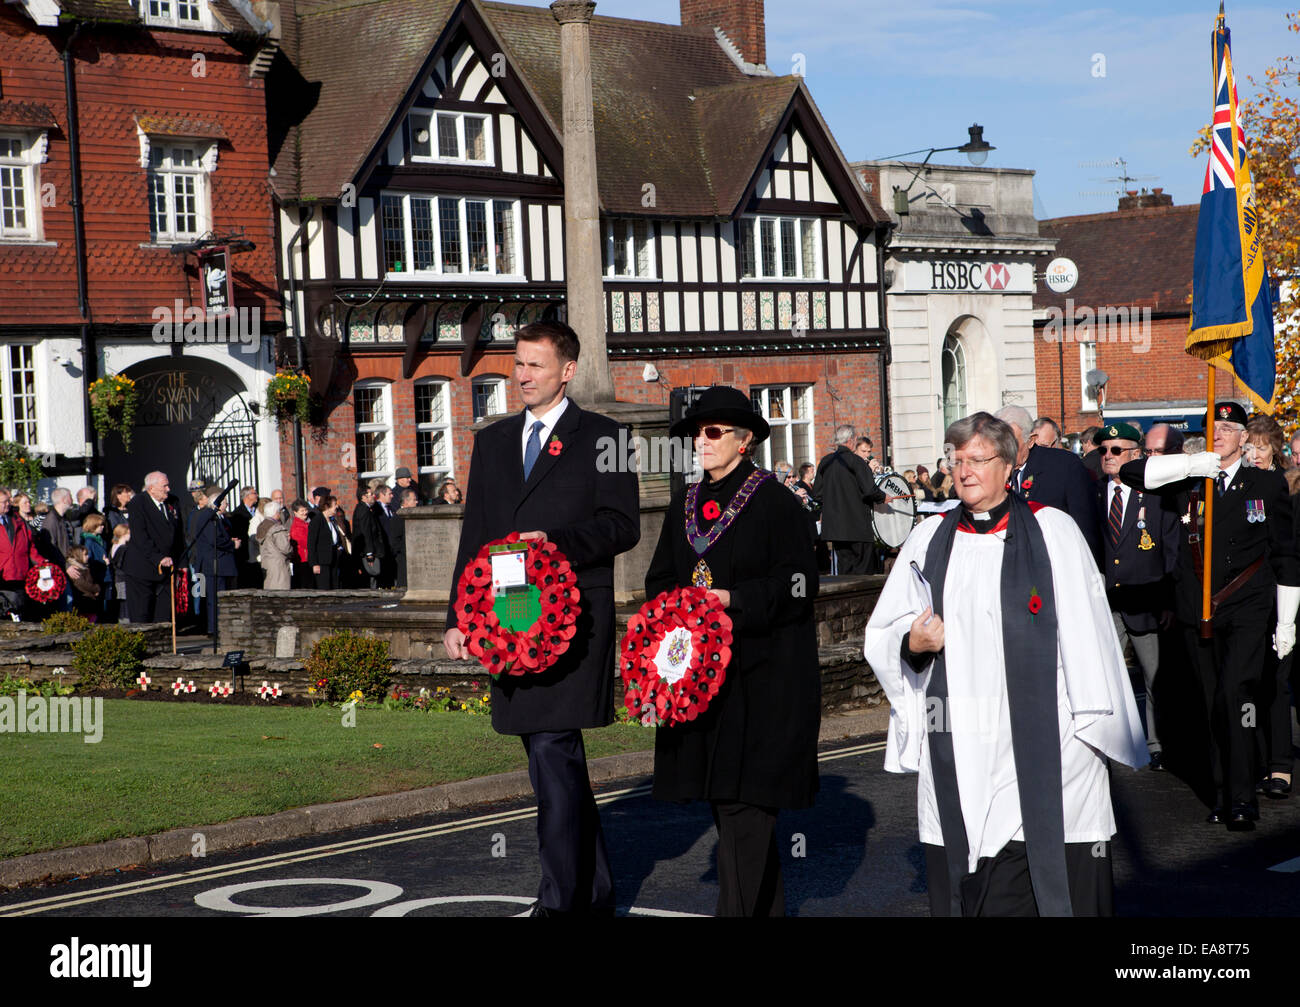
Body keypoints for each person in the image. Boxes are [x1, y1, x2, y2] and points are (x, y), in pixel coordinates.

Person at [864, 412, 1148, 916]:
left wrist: (1095, 726)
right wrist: (913, 641)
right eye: (956, 461)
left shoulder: (1052, 531)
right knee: (973, 880)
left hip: (1045, 742)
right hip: (959, 739)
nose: (965, 471)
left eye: (978, 459)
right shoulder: (929, 540)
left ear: (1008, 464)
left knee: (1035, 882)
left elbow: (1091, 637)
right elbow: (884, 634)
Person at [442, 320, 639, 917]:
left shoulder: (604, 436)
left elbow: (620, 526)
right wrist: (457, 617)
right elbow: (475, 534)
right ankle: (596, 890)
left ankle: (559, 902)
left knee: (552, 750)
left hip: (569, 622)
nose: (522, 376)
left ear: (568, 371)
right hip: (507, 619)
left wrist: (552, 543)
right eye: (518, 364)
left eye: (535, 365)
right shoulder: (495, 441)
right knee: (549, 753)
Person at [646, 386, 820, 916]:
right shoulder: (685, 503)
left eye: (714, 431)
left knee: (747, 813)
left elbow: (798, 586)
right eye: (698, 431)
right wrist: (673, 611)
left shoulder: (776, 503)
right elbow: (659, 579)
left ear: (744, 441)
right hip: (705, 686)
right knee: (730, 811)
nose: (702, 440)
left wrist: (734, 599)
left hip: (762, 682)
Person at [1119, 402, 1299, 827]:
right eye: (1211, 427)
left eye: (1226, 428)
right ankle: (1220, 792)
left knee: (1236, 695)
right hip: (1197, 611)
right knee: (1211, 700)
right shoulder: (1190, 480)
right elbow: (1131, 475)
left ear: (1243, 437)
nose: (1217, 434)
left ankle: (1242, 798)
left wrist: (1287, 620)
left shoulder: (1266, 485)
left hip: (1247, 608)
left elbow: (1286, 556)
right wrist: (1187, 463)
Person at [1097, 423, 1180, 771]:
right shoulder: (1095, 493)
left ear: (1135, 455)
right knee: (1104, 673)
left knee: (1154, 676)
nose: (1108, 457)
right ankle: (1110, 740)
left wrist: (1168, 600)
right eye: (1104, 450)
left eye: (1116, 450)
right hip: (1106, 602)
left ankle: (1157, 742)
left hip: (1147, 600)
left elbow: (1171, 549)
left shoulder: (1156, 496)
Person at [1245, 414, 1293, 798]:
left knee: (1276, 682)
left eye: (1263, 447)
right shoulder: (1241, 484)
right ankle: (1259, 760)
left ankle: (1280, 767)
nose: (1256, 453)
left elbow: (1283, 549)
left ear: (1275, 449)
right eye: (1252, 446)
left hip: (1278, 595)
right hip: (1247, 599)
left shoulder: (1276, 484)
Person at [996, 405, 1102, 562]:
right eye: (998, 443)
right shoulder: (992, 468)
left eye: (1010, 443)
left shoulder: (1063, 466)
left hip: (1055, 565)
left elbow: (1085, 528)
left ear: (1030, 440)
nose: (1003, 450)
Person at [812, 424, 886, 575]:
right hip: (858, 527)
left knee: (845, 574)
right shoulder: (856, 461)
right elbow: (870, 490)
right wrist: (884, 497)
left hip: (836, 529)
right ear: (851, 440)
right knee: (863, 574)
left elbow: (817, 494)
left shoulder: (825, 462)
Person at [122, 472, 184, 623]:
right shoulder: (138, 503)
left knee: (164, 614)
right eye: (164, 486)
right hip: (142, 567)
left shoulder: (173, 501)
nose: (168, 489)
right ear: (151, 488)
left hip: (167, 568)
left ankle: (163, 645)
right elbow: (140, 536)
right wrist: (158, 558)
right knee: (142, 614)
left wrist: (183, 562)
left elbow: (179, 534)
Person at [187, 485, 238, 635]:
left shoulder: (217, 517)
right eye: (225, 503)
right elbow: (213, 539)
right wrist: (232, 544)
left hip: (221, 563)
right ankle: (214, 628)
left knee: (219, 597)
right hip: (213, 563)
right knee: (214, 598)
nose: (227, 506)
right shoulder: (207, 516)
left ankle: (219, 626)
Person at [0, 488, 40, 619]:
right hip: (2, 579)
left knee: (20, 615)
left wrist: (42, 563)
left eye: (8, 501)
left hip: (19, 576)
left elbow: (30, 548)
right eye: (4, 502)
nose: (8, 504)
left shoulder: (18, 522)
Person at [307, 495, 346, 589]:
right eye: (334, 504)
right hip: (322, 562)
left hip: (333, 560)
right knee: (325, 588)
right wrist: (314, 563)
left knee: (335, 586)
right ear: (327, 506)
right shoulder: (317, 521)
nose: (337, 506)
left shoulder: (332, 521)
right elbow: (311, 543)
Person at [351, 485, 387, 587]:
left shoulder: (367, 509)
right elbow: (366, 532)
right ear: (363, 497)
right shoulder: (363, 510)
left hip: (368, 550)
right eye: (370, 494)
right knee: (371, 577)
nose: (373, 496)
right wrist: (369, 553)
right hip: (367, 551)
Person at [80, 513, 112, 620]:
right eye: (100, 525)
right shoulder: (89, 541)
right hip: (98, 575)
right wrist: (104, 563)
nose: (103, 527)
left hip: (103, 575)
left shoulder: (99, 540)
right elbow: (90, 560)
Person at [229, 487, 262, 588]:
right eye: (254, 493)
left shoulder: (258, 511)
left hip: (257, 551)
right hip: (245, 553)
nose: (257, 495)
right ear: (247, 496)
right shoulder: (238, 513)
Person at [256, 502, 293, 590]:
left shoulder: (261, 526)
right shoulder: (277, 528)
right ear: (277, 513)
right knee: (281, 593)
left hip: (267, 563)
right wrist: (292, 548)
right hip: (279, 565)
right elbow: (285, 548)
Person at [37, 487, 75, 566]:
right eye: (70, 497)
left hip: (69, 563)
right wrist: (66, 566)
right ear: (64, 500)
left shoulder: (64, 518)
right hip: (61, 566)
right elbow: (50, 548)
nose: (72, 500)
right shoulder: (51, 520)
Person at [390, 486, 418, 589]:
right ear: (405, 502)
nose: (416, 502)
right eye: (414, 500)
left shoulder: (413, 516)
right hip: (403, 559)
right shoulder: (397, 518)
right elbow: (395, 541)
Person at [110, 524, 131, 622]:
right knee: (125, 603)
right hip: (122, 577)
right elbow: (120, 564)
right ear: (124, 534)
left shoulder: (114, 546)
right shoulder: (123, 548)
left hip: (117, 578)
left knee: (122, 602)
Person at [289, 500, 310, 587]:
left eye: (305, 510)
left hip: (306, 559)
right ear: (295, 512)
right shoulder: (297, 526)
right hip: (302, 560)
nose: (305, 513)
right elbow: (305, 543)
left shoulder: (305, 524)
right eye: (302, 511)